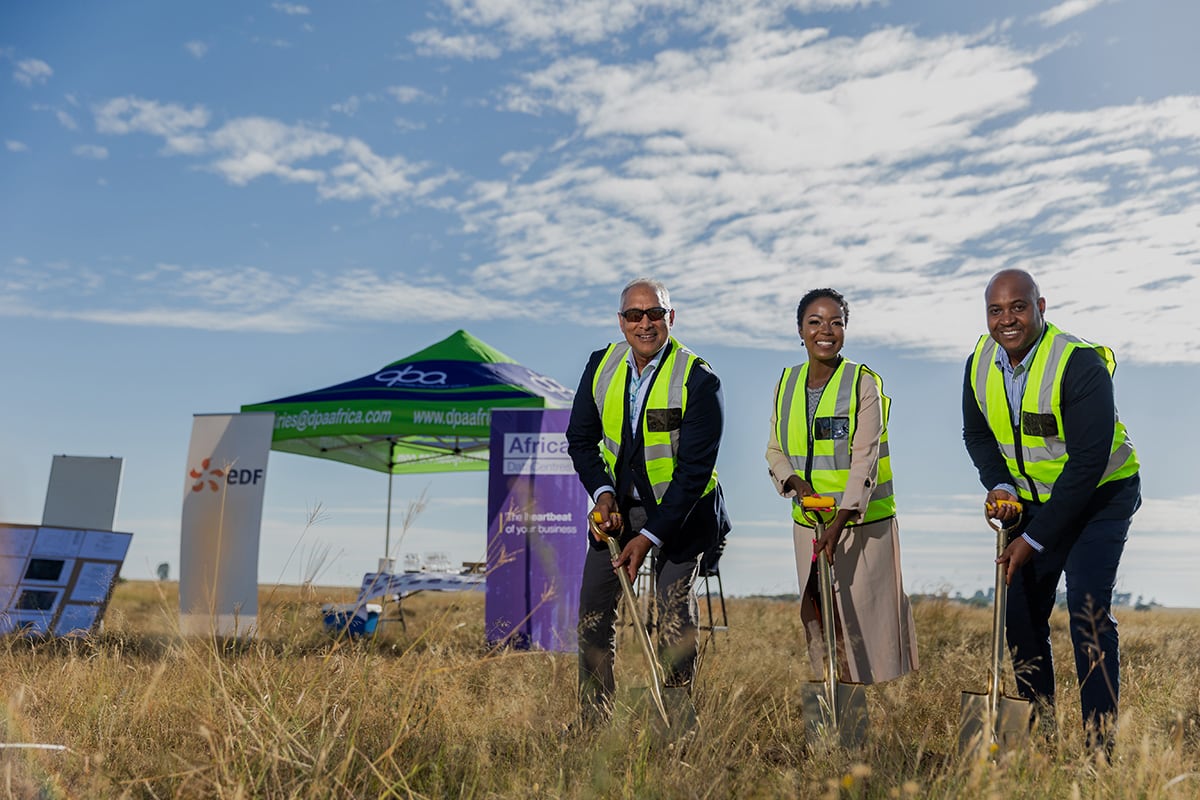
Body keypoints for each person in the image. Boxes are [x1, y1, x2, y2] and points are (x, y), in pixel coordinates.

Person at [962, 268, 1140, 750]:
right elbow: (977, 435)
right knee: (1018, 615)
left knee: (1087, 612)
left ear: (1040, 308)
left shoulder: (1079, 364)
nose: (1007, 319)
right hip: (1034, 501)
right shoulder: (979, 361)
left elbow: (1087, 463)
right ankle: (1037, 741)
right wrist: (1000, 485)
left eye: (1018, 307)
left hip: (1102, 494)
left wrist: (1034, 539)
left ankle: (1099, 751)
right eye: (995, 310)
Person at [566, 277, 730, 727]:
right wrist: (602, 495)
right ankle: (594, 720)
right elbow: (580, 439)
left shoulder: (699, 378)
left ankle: (676, 723)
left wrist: (650, 535)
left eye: (655, 313)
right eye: (634, 315)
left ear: (670, 318)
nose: (645, 323)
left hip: (683, 512)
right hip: (618, 511)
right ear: (621, 322)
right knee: (594, 613)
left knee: (673, 611)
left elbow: (694, 471)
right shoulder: (602, 365)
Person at [765, 288, 918, 686]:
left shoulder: (863, 384)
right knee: (821, 624)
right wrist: (795, 483)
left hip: (861, 527)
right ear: (800, 330)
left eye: (836, 322)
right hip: (810, 528)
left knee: (867, 636)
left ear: (846, 329)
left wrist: (839, 523)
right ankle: (836, 718)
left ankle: (874, 722)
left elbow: (864, 458)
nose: (825, 330)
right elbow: (775, 449)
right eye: (815, 322)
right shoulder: (787, 383)